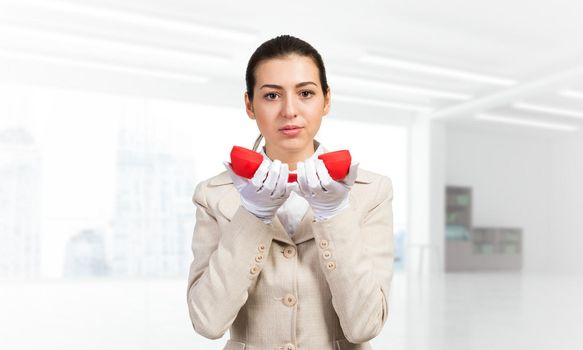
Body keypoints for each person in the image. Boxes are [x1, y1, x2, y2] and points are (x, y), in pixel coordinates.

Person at [186, 34, 394, 350]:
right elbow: (207, 322)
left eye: (306, 93)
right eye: (271, 96)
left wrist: (334, 215)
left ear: (326, 100)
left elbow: (364, 326)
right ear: (249, 105)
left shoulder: (371, 192)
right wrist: (252, 216)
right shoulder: (214, 195)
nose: (289, 110)